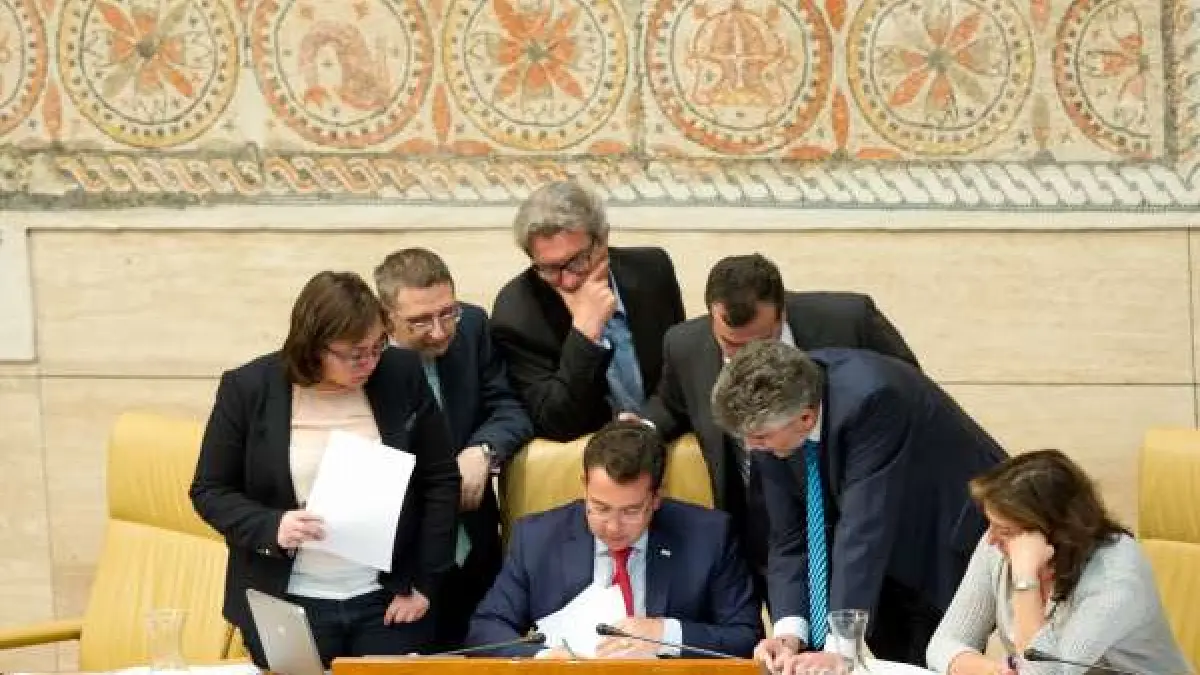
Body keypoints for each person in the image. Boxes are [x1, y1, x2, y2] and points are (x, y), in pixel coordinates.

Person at [190, 271, 460, 667]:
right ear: (314, 346)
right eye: (355, 354)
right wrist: (272, 525)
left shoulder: (400, 374)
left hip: (389, 599)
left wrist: (426, 582)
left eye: (377, 346)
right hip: (288, 599)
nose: (370, 362)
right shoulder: (250, 388)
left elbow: (440, 479)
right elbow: (210, 490)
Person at [637, 253, 918, 604]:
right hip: (765, 530)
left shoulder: (848, 322)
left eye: (760, 342)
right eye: (732, 345)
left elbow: (905, 393)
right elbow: (670, 403)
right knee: (791, 628)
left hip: (861, 513)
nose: (746, 358)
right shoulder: (685, 345)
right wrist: (639, 428)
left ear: (781, 313)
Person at [709, 341, 1006, 668]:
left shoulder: (873, 398)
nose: (752, 447)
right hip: (873, 559)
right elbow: (789, 535)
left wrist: (839, 647)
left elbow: (864, 527)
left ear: (806, 418)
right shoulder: (771, 424)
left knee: (930, 659)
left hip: (939, 536)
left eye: (760, 438)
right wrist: (788, 636)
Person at [466, 421, 760, 658]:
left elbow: (745, 636)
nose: (613, 527)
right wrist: (545, 658)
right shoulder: (537, 538)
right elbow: (486, 628)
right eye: (600, 507)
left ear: (656, 498)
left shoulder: (708, 536)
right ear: (584, 486)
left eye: (631, 511)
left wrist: (665, 634)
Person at [373, 247, 534, 649]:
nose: (440, 331)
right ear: (386, 319)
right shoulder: (366, 361)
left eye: (448, 313)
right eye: (420, 321)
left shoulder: (473, 327)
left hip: (474, 545)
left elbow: (510, 408)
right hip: (402, 564)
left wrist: (483, 450)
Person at [925, 450, 1190, 675]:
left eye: (1005, 530)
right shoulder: (999, 545)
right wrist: (993, 671)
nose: (990, 540)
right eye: (991, 525)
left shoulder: (1115, 580)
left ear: (1055, 534)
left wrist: (1025, 580)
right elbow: (943, 643)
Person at [491, 180, 686, 441]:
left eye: (577, 261)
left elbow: (679, 377)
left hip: (664, 439)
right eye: (550, 268)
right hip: (587, 454)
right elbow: (556, 423)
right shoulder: (516, 314)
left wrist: (649, 425)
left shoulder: (652, 270)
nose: (568, 281)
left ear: (603, 239)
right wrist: (585, 335)